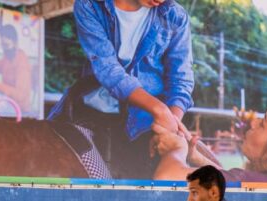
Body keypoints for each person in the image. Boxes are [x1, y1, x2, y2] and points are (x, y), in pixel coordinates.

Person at [48, 0, 194, 179]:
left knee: (176, 181)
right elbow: (108, 69)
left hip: (146, 124)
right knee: (93, 184)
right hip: (90, 116)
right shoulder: (89, 5)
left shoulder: (175, 16)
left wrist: (169, 126)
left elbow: (181, 79)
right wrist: (160, 109)